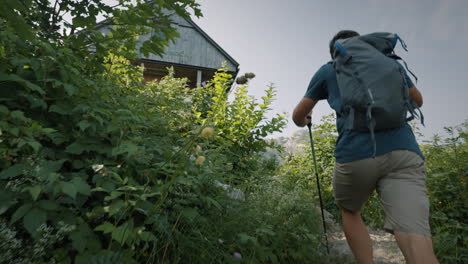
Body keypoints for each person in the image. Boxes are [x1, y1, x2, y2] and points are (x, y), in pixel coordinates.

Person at [292, 30, 439, 264]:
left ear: (335, 51)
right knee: (413, 231)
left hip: (356, 154)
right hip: (404, 153)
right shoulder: (390, 65)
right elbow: (418, 100)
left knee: (350, 210)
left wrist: (306, 118)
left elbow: (298, 116)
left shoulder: (329, 69)